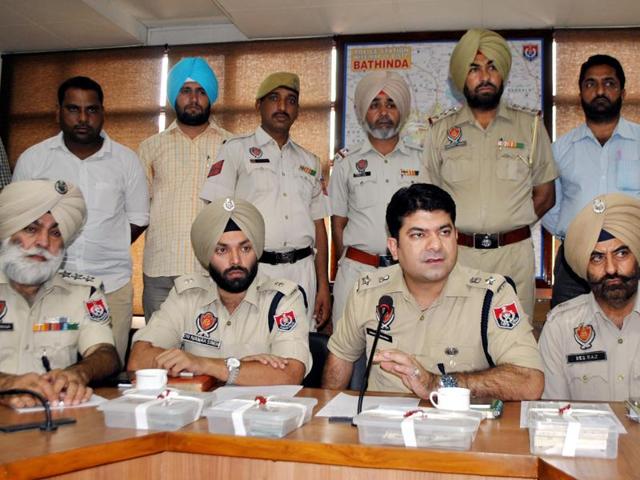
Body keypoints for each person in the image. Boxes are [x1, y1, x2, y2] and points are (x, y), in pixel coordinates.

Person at [322, 183, 544, 401]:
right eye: (419, 235)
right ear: (393, 247)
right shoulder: (369, 292)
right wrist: (325, 419)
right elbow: (340, 360)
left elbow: (529, 381)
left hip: (461, 428)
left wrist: (437, 384)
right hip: (384, 429)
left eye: (444, 232)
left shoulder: (492, 295)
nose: (436, 245)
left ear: (456, 236)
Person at [12, 76, 149, 365]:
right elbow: (17, 220)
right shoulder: (34, 159)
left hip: (111, 286)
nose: (84, 118)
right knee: (47, 368)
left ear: (103, 112)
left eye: (92, 109)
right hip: (48, 287)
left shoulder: (126, 161)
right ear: (58, 112)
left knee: (104, 369)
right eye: (74, 109)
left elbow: (138, 217)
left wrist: (106, 243)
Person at [422, 29, 558, 317]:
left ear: (503, 75)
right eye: (474, 69)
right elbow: (429, 199)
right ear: (462, 78)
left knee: (514, 342)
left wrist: (510, 223)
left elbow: (545, 196)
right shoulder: (441, 131)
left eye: (492, 67)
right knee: (457, 338)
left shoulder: (531, 128)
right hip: (459, 256)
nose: (484, 76)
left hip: (514, 257)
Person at [128, 197, 311, 385]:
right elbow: (138, 359)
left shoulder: (282, 300)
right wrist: (242, 368)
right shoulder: (187, 296)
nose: (236, 261)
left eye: (245, 248)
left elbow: (290, 374)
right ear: (206, 256)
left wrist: (203, 364)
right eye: (222, 250)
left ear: (256, 251)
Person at [200, 72, 330, 330]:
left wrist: (323, 284)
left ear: (297, 110)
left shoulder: (310, 162)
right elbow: (215, 213)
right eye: (274, 98)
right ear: (258, 105)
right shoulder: (235, 149)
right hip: (255, 270)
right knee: (251, 346)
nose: (282, 107)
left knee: (299, 352)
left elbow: (318, 226)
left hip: (302, 273)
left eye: (290, 100)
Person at [0, 180, 120, 408]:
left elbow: (106, 354)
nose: (44, 242)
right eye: (31, 229)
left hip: (53, 421)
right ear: (6, 232)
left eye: (55, 233)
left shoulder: (85, 293)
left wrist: (78, 373)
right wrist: (6, 384)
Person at [542, 55, 640, 307]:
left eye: (609, 83)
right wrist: (573, 231)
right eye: (590, 84)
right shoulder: (560, 149)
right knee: (569, 333)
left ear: (623, 92)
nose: (599, 91)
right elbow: (549, 205)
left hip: (634, 257)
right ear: (580, 93)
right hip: (575, 262)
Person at [330, 71, 425, 327]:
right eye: (375, 104)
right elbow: (338, 222)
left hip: (405, 274)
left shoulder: (421, 160)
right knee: (347, 353)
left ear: (402, 112)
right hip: (355, 274)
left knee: (403, 351)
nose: (383, 112)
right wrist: (347, 262)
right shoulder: (346, 163)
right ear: (364, 113)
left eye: (391, 104)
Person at [139, 57, 230, 322]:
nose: (194, 98)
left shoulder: (231, 144)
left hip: (213, 269)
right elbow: (138, 209)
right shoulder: (150, 147)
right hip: (161, 270)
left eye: (201, 91)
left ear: (210, 97)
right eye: (186, 91)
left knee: (208, 355)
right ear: (174, 96)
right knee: (157, 353)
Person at [540, 193, 640, 401]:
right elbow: (554, 416)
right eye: (597, 258)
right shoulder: (561, 327)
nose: (611, 269)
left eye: (622, 254)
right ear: (584, 267)